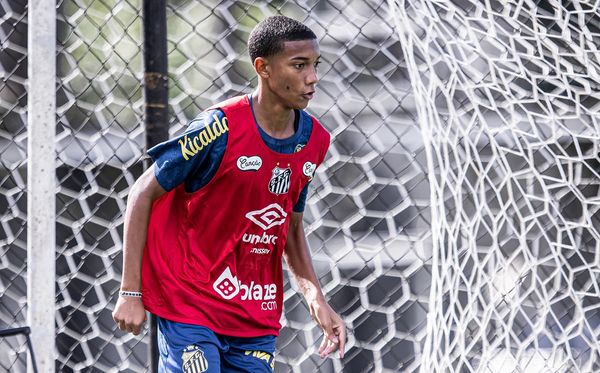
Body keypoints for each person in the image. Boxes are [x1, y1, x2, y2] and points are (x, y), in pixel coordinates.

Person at [112, 15, 346, 372]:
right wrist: (130, 292)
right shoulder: (218, 127)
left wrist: (316, 298)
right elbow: (142, 193)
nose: (312, 77)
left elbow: (291, 226)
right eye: (299, 65)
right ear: (262, 68)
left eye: (315, 65)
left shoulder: (315, 140)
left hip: (254, 312)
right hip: (190, 302)